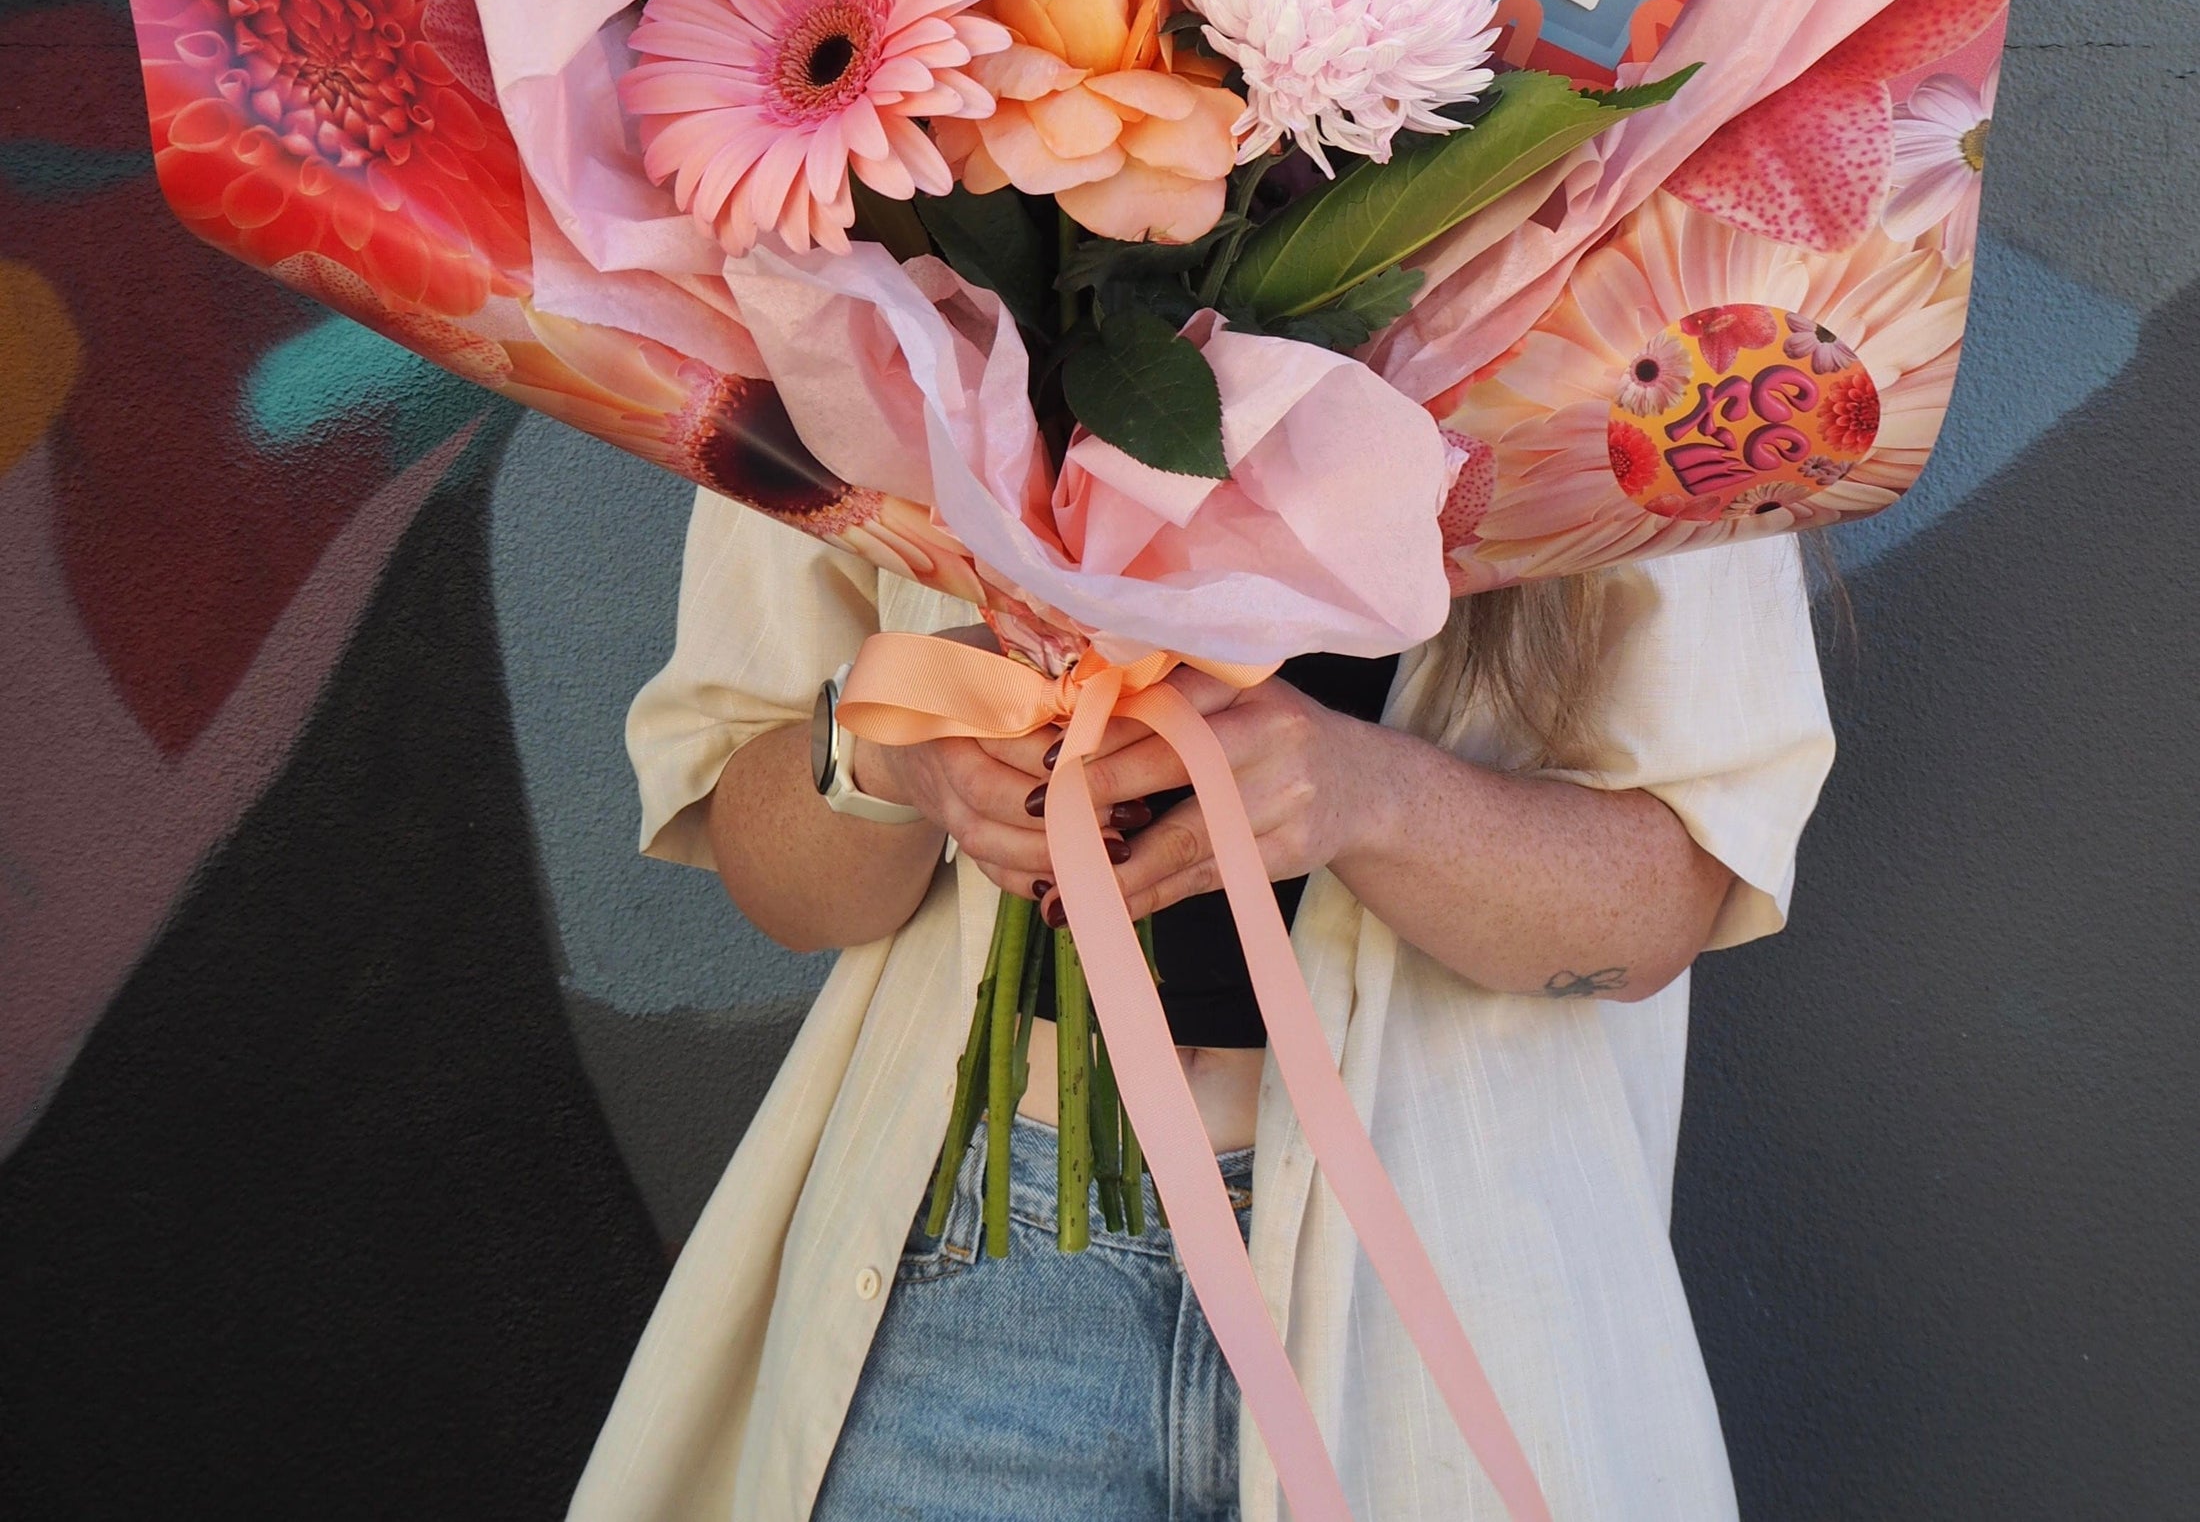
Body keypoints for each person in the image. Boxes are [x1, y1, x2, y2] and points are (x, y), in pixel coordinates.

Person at [571, 498, 1833, 1522]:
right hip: (988, 1259)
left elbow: (1660, 908)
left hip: (1448, 1275)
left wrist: (1367, 795)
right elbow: (788, 891)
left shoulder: (1638, 308)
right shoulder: (874, 267)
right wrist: (890, 745)